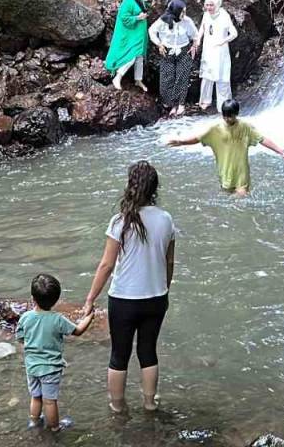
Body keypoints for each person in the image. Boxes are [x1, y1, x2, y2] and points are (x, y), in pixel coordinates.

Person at [79, 161, 176, 413]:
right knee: (148, 352)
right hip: (156, 297)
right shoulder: (166, 219)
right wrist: (164, 289)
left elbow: (106, 265)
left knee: (119, 355)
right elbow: (169, 262)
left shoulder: (119, 221)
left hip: (124, 299)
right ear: (154, 188)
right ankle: (150, 404)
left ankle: (117, 407)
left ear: (130, 186)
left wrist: (90, 299)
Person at [167, 99, 284, 197]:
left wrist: (281, 151)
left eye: (230, 116)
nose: (227, 119)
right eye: (224, 116)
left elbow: (262, 139)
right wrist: (181, 142)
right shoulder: (216, 129)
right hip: (225, 172)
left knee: (241, 198)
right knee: (227, 199)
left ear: (236, 114)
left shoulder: (245, 127)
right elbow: (198, 138)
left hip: (242, 173)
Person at [18, 273, 94, 431]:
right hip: (50, 368)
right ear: (56, 300)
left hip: (31, 366)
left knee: (36, 397)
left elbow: (20, 338)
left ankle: (34, 422)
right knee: (50, 401)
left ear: (32, 298)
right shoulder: (57, 319)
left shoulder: (25, 317)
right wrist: (89, 317)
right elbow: (78, 331)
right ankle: (54, 427)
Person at [149, 0, 199, 117]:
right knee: (167, 79)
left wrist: (194, 46)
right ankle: (172, 105)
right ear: (175, 11)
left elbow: (195, 35)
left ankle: (181, 104)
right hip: (167, 51)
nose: (184, 14)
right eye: (182, 11)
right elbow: (151, 31)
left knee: (182, 77)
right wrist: (159, 44)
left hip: (184, 51)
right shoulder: (162, 21)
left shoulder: (187, 21)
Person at [105, 0, 150, 92]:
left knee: (139, 57)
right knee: (133, 56)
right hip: (131, 35)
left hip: (139, 34)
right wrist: (138, 18)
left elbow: (142, 9)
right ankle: (118, 77)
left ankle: (138, 80)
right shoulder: (128, 0)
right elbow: (124, 17)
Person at [193, 0, 238, 112]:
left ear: (217, 5)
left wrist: (223, 41)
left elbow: (234, 33)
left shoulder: (224, 16)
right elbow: (202, 27)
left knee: (222, 77)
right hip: (208, 49)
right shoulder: (206, 14)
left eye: (211, 5)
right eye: (207, 5)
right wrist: (198, 40)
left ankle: (224, 103)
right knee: (207, 76)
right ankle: (205, 100)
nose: (209, 8)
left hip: (220, 51)